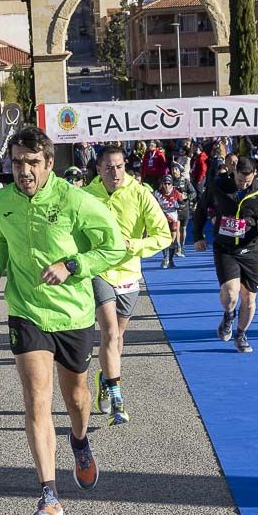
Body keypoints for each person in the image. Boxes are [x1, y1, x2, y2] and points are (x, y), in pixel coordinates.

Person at [0, 126, 124, 515]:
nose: (23, 170)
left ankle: (79, 441)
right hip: (25, 310)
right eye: (17, 162)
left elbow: (114, 246)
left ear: (49, 162)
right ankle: (49, 494)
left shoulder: (74, 200)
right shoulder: (2, 201)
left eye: (32, 162)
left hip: (73, 314)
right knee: (36, 399)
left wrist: (72, 266)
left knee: (76, 398)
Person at [82, 146, 172, 426]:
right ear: (98, 169)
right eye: (108, 167)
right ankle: (117, 401)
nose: (115, 172)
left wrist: (135, 245)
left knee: (117, 338)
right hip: (98, 271)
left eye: (119, 166)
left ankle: (106, 379)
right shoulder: (85, 196)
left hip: (129, 273)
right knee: (109, 332)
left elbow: (163, 235)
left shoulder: (140, 193)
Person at [193, 156, 258, 353]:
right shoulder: (219, 186)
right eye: (240, 180)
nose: (243, 184)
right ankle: (229, 314)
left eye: (247, 181)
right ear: (234, 172)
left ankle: (240, 335)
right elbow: (201, 208)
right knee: (231, 294)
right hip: (226, 248)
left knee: (249, 299)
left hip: (251, 249)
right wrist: (198, 235)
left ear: (254, 175)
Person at [154, 176, 185, 269]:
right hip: (162, 218)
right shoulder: (157, 193)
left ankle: (171, 260)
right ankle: (165, 258)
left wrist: (178, 205)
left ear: (172, 184)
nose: (167, 186)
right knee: (164, 239)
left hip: (173, 218)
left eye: (169, 184)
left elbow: (183, 204)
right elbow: (151, 204)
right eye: (165, 183)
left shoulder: (176, 192)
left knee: (172, 240)